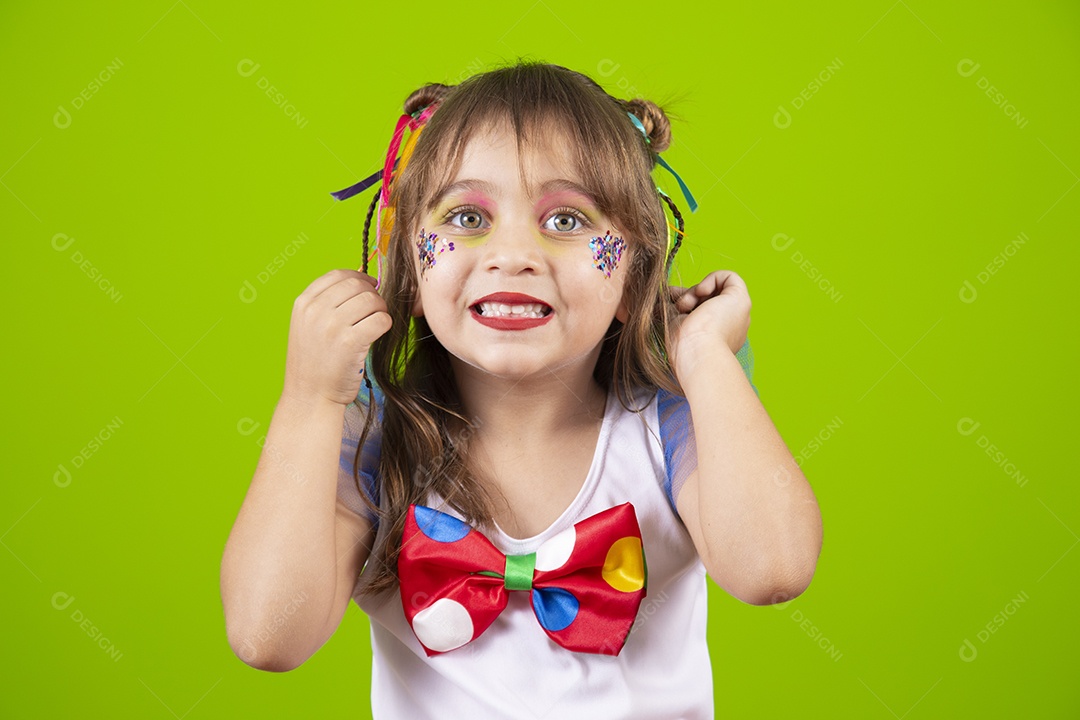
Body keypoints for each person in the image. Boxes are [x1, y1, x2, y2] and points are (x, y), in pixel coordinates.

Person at [221, 60, 822, 719]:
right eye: (467, 217)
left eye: (566, 220)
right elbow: (266, 634)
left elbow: (773, 570)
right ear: (407, 266)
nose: (514, 253)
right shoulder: (372, 448)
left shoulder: (668, 427)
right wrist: (308, 403)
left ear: (636, 271)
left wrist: (704, 356)